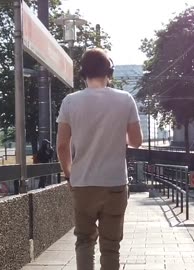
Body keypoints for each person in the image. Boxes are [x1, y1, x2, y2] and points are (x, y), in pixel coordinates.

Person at [56, 48, 143, 270]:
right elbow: (136, 141)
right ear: (109, 72)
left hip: (83, 183)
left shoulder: (70, 102)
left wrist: (69, 175)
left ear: (83, 73)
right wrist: (116, 131)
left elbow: (62, 145)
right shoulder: (125, 99)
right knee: (111, 246)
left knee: (84, 241)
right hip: (115, 183)